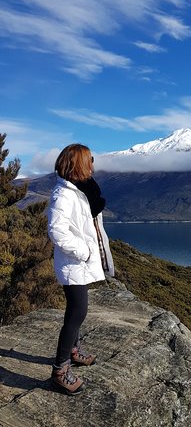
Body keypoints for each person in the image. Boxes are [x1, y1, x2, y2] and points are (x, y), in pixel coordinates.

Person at [47, 144, 115, 395]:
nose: (93, 165)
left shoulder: (81, 190)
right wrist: (84, 252)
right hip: (73, 263)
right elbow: (56, 231)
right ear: (78, 163)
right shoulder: (63, 195)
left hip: (78, 263)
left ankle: (73, 353)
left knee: (76, 311)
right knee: (77, 313)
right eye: (90, 160)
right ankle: (60, 371)